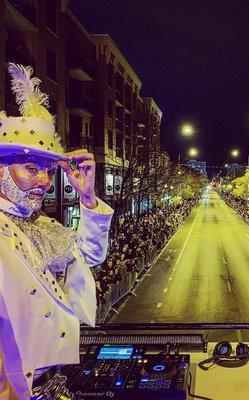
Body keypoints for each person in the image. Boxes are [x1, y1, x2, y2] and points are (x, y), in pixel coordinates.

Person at [0, 63, 113, 399]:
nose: (45, 182)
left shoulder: (42, 224)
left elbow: (90, 256)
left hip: (56, 380)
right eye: (31, 169)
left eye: (48, 171)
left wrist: (87, 197)